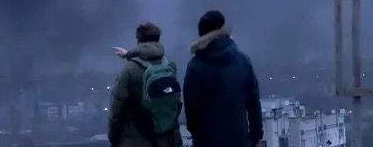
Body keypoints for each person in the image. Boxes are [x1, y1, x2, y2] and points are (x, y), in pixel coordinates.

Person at [182, 10, 262, 147]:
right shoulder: (243, 61)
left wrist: (199, 137)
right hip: (239, 140)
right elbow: (253, 103)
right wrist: (255, 137)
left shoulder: (195, 67)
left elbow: (191, 111)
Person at [110, 21, 185, 147]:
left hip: (136, 140)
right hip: (166, 138)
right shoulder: (167, 66)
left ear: (138, 40)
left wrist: (114, 139)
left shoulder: (129, 70)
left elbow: (116, 112)